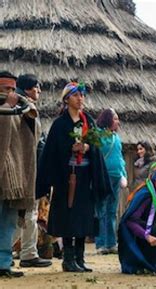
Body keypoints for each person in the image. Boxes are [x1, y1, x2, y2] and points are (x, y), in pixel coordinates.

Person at [36, 82, 112, 272]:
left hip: (85, 177)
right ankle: (68, 259)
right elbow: (52, 151)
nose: (80, 99)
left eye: (82, 95)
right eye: (76, 95)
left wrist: (87, 148)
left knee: (83, 216)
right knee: (67, 216)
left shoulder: (88, 121)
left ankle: (80, 257)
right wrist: (69, 148)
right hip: (66, 178)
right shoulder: (60, 124)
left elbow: (96, 146)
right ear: (67, 99)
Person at [0, 71, 39, 277]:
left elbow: (30, 139)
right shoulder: (6, 109)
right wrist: (6, 107)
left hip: (14, 178)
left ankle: (3, 264)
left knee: (8, 222)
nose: (11, 93)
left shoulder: (18, 109)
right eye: (6, 89)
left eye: (13, 89)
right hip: (1, 175)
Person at [13, 74, 52, 268]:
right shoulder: (22, 107)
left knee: (26, 212)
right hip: (25, 167)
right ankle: (28, 253)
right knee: (26, 212)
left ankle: (28, 251)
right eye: (36, 87)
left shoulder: (24, 106)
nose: (39, 91)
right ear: (28, 89)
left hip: (29, 165)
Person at [95, 108, 128, 255]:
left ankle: (111, 243)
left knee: (112, 211)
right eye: (115, 118)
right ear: (107, 120)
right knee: (101, 210)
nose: (117, 121)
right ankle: (101, 243)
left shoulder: (117, 138)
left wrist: (123, 174)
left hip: (116, 177)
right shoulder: (99, 136)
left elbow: (120, 158)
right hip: (103, 176)